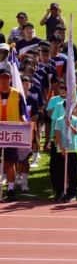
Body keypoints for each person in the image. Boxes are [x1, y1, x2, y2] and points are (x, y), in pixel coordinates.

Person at [0, 68, 30, 202]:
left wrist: (25, 123)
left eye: (7, 77)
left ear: (11, 79)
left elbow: (23, 113)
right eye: (2, 78)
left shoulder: (17, 94)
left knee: (10, 161)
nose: (4, 80)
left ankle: (10, 189)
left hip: (11, 132)